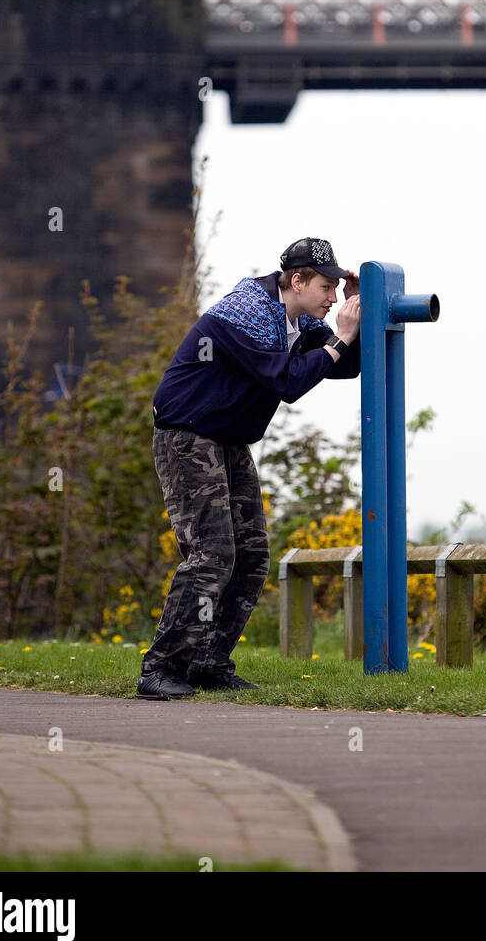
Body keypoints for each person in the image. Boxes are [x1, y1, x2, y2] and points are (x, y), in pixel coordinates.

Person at [136, 237, 361, 700]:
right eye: (327, 287)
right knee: (212, 554)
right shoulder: (248, 311)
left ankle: (208, 663)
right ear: (297, 281)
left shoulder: (298, 319)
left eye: (339, 289)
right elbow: (288, 381)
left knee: (253, 554)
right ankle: (160, 668)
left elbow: (344, 366)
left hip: (228, 437)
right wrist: (339, 337)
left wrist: (363, 310)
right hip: (187, 433)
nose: (332, 298)